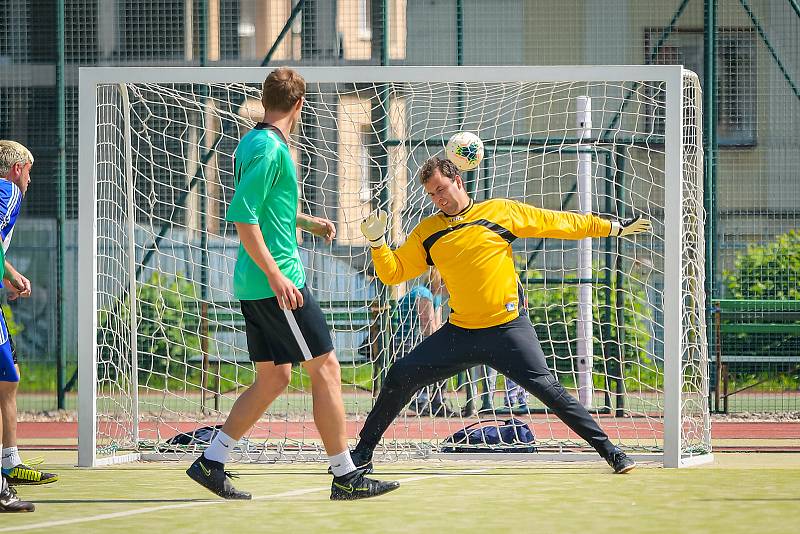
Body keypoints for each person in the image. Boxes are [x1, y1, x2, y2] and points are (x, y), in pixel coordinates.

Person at [353, 156, 651, 474]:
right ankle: (362, 453)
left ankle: (612, 452)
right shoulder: (428, 232)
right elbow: (393, 273)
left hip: (508, 330)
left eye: (441, 189)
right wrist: (377, 242)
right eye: (432, 194)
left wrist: (612, 228)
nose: (439, 198)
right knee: (400, 375)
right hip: (461, 333)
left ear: (458, 181)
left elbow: (559, 223)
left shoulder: (500, 212)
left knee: (551, 391)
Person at [185, 68, 398, 501]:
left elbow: (266, 209)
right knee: (327, 369)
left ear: (266, 101)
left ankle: (212, 460)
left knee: (273, 379)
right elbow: (243, 217)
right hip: (277, 282)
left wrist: (306, 222)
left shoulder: (252, 141)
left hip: (254, 283)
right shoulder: (270, 149)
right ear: (299, 105)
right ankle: (345, 475)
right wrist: (277, 275)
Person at [0, 141, 42, 513]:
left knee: (7, 379)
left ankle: (9, 462)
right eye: (29, 171)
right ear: (17, 169)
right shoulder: (7, 190)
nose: (30, 179)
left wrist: (8, 275)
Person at [394, 267, 456, 417]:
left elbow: (438, 325)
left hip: (416, 340)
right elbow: (428, 327)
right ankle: (421, 399)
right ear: (439, 282)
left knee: (447, 358)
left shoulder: (436, 297)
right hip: (404, 342)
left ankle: (437, 400)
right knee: (437, 359)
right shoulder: (423, 294)